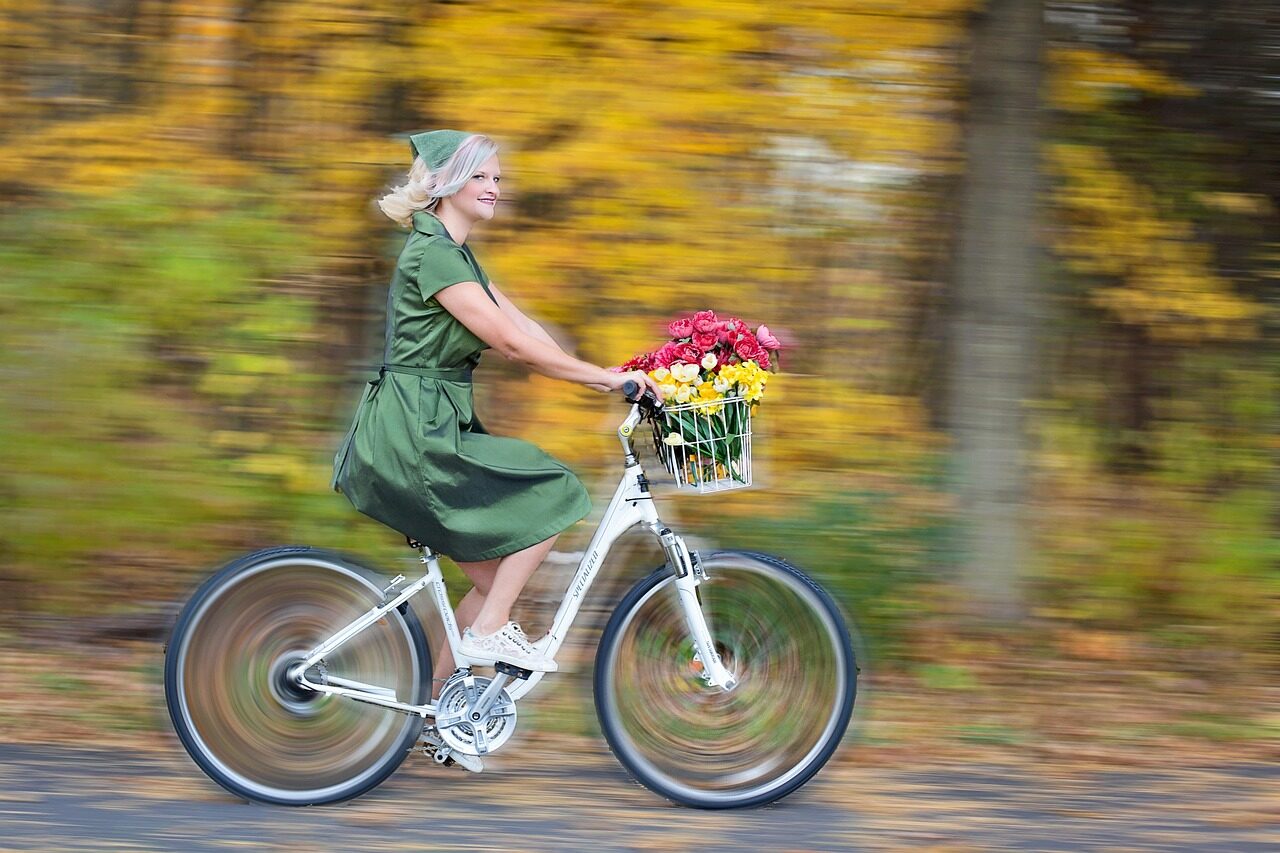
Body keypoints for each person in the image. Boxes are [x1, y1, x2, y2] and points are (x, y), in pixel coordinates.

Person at [332, 130, 662, 685]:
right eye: (480, 177)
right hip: (413, 433)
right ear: (447, 184)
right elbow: (510, 347)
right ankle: (485, 637)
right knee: (556, 491)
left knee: (492, 591)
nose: (493, 188)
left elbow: (523, 327)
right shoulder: (433, 255)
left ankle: (441, 714)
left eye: (497, 178)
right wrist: (604, 386)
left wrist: (602, 373)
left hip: (429, 423)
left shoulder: (454, 253)